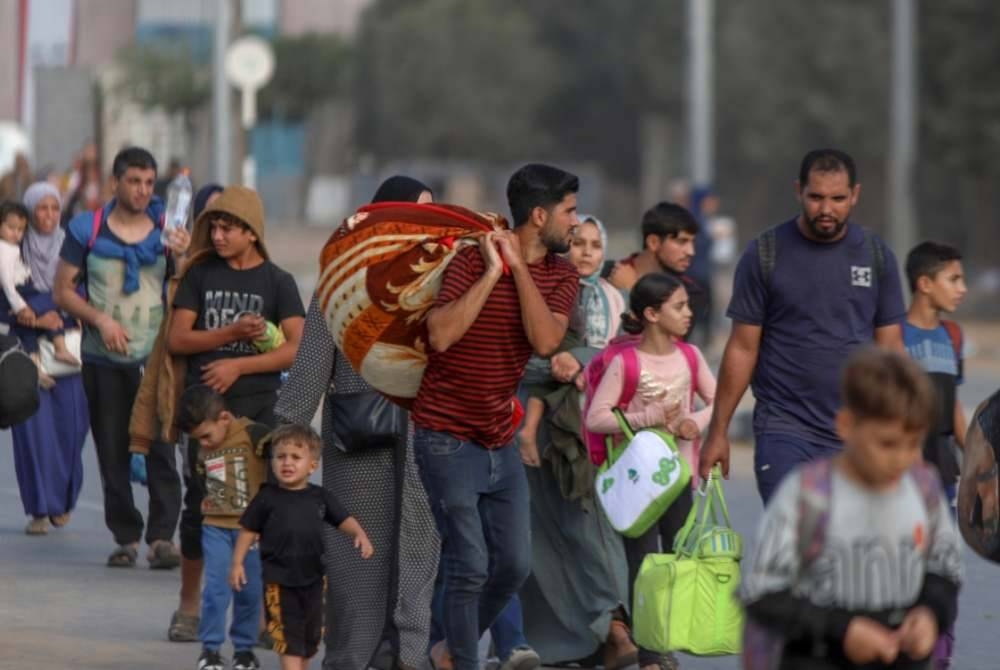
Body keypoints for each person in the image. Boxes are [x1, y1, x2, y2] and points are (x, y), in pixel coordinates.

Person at [413, 164, 580, 670]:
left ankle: (447, 650)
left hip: (498, 437)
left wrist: (518, 268)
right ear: (539, 215)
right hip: (445, 435)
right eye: (569, 211)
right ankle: (462, 660)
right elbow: (440, 335)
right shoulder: (470, 259)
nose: (575, 222)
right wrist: (491, 272)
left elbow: (546, 341)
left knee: (512, 566)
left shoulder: (562, 274)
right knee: (468, 564)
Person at [274, 175, 439, 670]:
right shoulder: (341, 281)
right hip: (358, 451)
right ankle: (351, 659)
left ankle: (410, 658)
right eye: (418, 214)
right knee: (354, 564)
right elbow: (308, 373)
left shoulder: (441, 284)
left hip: (425, 449)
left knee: (418, 562)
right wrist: (284, 458)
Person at [700, 148, 906, 502]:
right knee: (797, 529)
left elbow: (891, 351)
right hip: (784, 429)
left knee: (846, 535)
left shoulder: (876, 256)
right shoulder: (764, 253)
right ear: (799, 191)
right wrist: (718, 431)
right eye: (816, 197)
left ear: (855, 195)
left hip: (856, 432)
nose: (826, 209)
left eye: (838, 199)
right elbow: (743, 348)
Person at [739, 348, 963, 669]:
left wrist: (930, 614)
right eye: (886, 443)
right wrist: (842, 631)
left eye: (913, 444)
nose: (901, 458)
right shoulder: (809, 495)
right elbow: (763, 596)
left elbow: (945, 571)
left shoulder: (924, 489)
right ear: (846, 425)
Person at [496, 215, 636, 669]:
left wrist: (580, 359)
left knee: (590, 530)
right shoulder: (544, 288)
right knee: (537, 537)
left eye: (596, 244)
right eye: (578, 242)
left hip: (586, 429)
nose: (586, 252)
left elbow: (623, 355)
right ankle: (555, 642)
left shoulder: (610, 298)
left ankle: (615, 627)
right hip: (535, 424)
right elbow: (525, 355)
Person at [53, 146, 188, 568]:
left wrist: (183, 254)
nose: (142, 190)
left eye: (148, 183)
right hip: (103, 359)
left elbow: (185, 288)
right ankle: (126, 536)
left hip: (155, 358)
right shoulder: (88, 230)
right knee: (112, 450)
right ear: (116, 183)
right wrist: (100, 320)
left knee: (162, 448)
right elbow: (62, 291)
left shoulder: (166, 230)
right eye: (134, 181)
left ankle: (162, 538)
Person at [585, 273, 716, 670]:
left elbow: (719, 400)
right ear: (652, 314)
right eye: (679, 306)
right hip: (638, 485)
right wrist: (647, 417)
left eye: (687, 305)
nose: (689, 313)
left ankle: (662, 642)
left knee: (675, 561)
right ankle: (651, 654)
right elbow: (596, 417)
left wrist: (695, 421)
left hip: (680, 480)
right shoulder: (626, 362)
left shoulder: (690, 356)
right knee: (643, 568)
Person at [231, 423, 374, 670]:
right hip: (279, 581)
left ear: (312, 466)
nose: (287, 463)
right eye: (280, 457)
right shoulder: (266, 497)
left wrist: (360, 534)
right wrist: (237, 563)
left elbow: (343, 519)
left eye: (296, 457)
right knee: (288, 638)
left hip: (315, 580)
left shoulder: (320, 497)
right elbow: (248, 530)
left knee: (309, 639)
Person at [8, 182, 90, 536]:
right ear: (29, 212)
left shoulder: (71, 248)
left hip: (69, 354)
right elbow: (8, 298)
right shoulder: (14, 251)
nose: (49, 215)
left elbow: (83, 292)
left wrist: (50, 308)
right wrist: (43, 314)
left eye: (54, 208)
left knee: (72, 429)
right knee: (33, 434)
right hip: (26, 350)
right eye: (41, 208)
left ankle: (63, 501)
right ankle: (39, 508)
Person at [902, 241, 968, 669]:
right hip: (902, 477)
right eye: (954, 279)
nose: (962, 289)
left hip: (943, 473)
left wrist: (983, 464)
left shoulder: (952, 337)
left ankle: (937, 657)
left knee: (944, 570)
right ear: (925, 284)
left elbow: (953, 407)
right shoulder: (892, 336)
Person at [174, 385, 271, 670]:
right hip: (215, 527)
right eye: (198, 439)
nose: (203, 444)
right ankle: (211, 650)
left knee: (249, 591)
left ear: (225, 418)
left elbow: (283, 457)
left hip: (249, 531)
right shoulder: (201, 446)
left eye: (206, 436)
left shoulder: (255, 435)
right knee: (216, 590)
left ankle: (244, 650)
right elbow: (201, 478)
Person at [0, 201, 78, 387]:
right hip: (18, 295)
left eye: (21, 229)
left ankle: (36, 367)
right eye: (11, 228)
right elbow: (8, 285)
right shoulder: (5, 250)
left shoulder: (16, 247)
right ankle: (59, 348)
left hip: (21, 299)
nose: (16, 233)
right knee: (53, 302)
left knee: (34, 326)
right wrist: (23, 309)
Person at [605, 201, 708, 338]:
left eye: (692, 242)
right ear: (653, 242)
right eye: (682, 241)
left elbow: (666, 345)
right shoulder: (608, 274)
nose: (691, 251)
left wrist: (631, 290)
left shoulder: (690, 292)